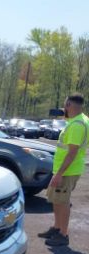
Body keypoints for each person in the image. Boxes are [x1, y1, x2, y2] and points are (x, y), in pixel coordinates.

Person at [38, 93, 88, 246]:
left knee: (63, 202)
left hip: (66, 171)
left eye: (65, 104)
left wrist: (59, 174)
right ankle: (56, 227)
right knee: (56, 200)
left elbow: (72, 152)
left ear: (69, 105)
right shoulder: (79, 120)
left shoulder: (77, 126)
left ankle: (63, 234)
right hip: (64, 170)